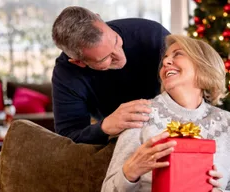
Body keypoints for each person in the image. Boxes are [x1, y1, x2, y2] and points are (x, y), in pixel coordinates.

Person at [101, 35, 230, 192]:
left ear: (203, 65)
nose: (166, 62)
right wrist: (131, 171)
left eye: (177, 54)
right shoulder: (141, 113)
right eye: (165, 59)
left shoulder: (228, 123)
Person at [51, 6, 170, 144]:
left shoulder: (151, 34)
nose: (120, 56)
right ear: (78, 62)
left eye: (115, 40)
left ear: (100, 18)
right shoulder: (66, 75)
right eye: (105, 58)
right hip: (120, 140)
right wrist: (105, 126)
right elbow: (69, 137)